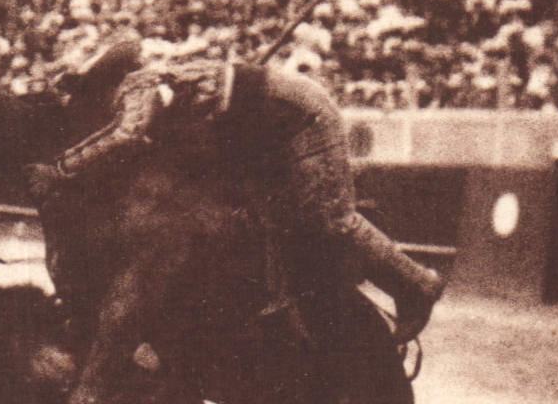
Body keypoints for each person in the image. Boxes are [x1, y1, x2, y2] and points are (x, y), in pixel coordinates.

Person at [26, 34, 445, 343]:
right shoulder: (141, 89)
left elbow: (127, 136)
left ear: (101, 79)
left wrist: (62, 170)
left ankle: (418, 284)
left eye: (76, 89)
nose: (74, 101)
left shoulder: (139, 87)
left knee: (331, 218)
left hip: (303, 119)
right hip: (261, 134)